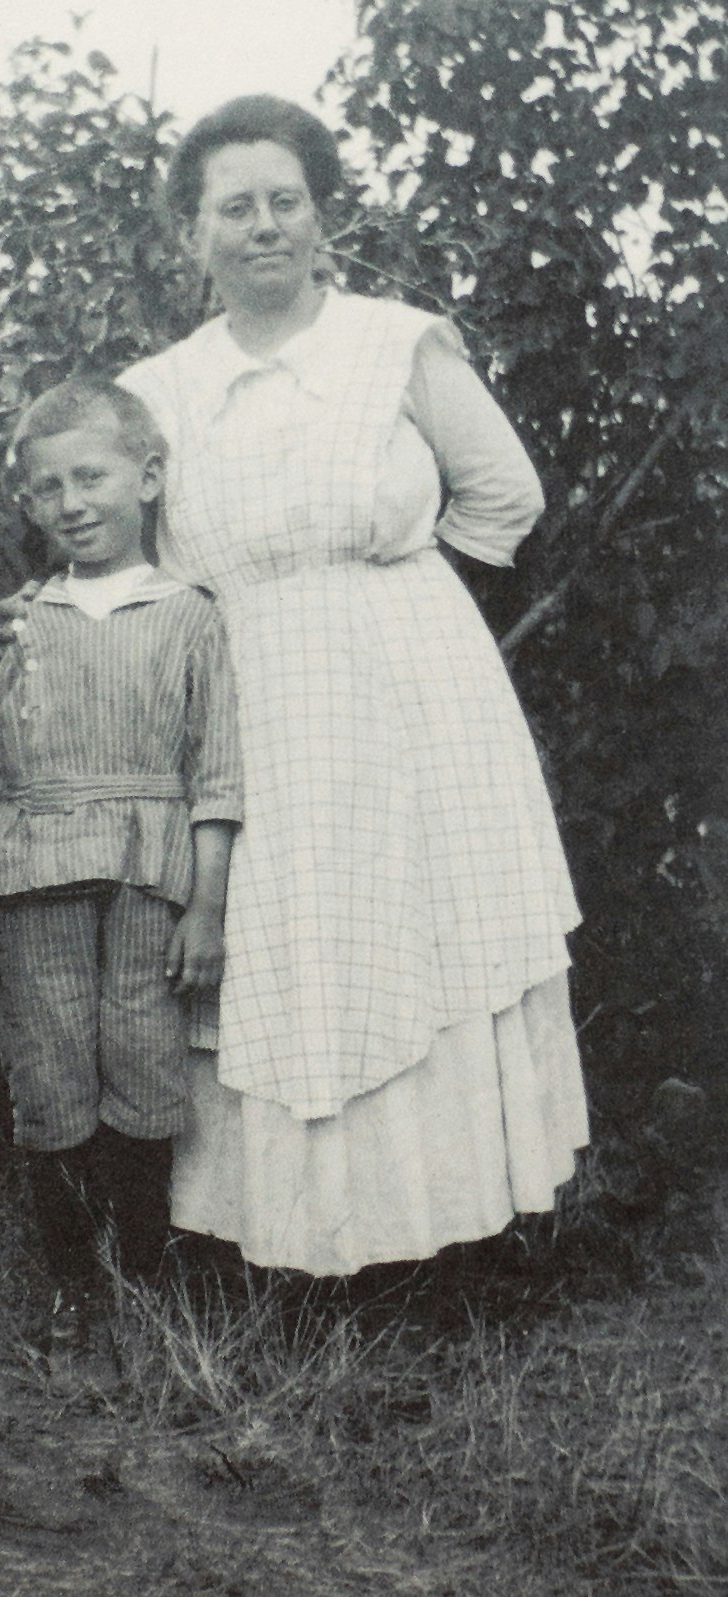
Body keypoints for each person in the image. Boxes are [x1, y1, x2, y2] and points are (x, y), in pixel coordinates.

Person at [114, 94, 588, 1277]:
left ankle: (447, 1246)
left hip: (409, 690)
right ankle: (287, 1245)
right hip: (245, 697)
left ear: (322, 218)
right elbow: (132, 560)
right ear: (192, 235)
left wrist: (406, 611)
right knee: (280, 941)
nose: (263, 225)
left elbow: (504, 498)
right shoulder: (158, 390)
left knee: (420, 930)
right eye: (234, 207)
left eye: (286, 201)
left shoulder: (392, 341)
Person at [0, 377, 242, 1382]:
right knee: (49, 1075)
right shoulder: (24, 621)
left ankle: (138, 1289)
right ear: (26, 505)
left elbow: (215, 775)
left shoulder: (188, 615)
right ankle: (71, 1292)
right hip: (34, 877)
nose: (72, 502)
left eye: (92, 476)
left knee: (142, 1065)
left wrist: (204, 908)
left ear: (147, 477)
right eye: (47, 488)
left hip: (147, 878)